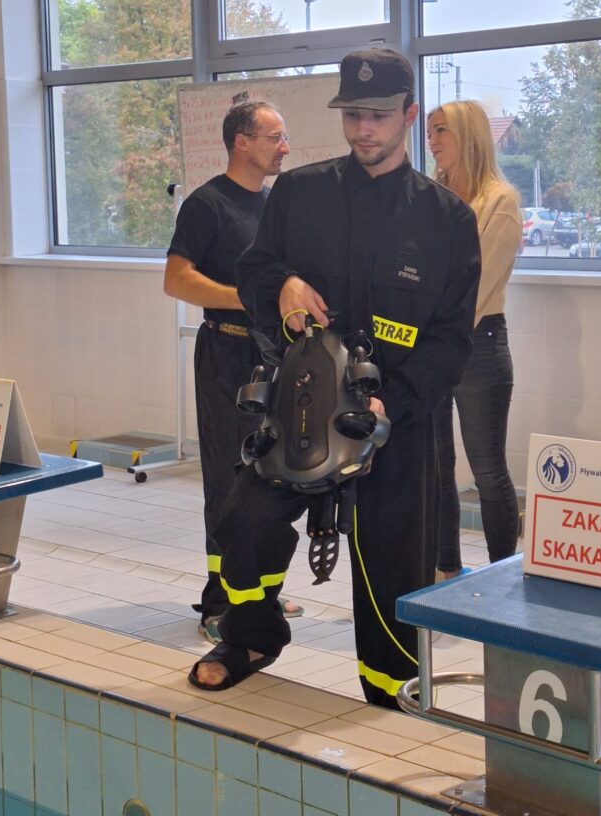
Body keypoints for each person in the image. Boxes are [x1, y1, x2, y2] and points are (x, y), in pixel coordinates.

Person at [187, 47, 481, 708]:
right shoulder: (300, 193)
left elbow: (450, 340)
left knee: (391, 561)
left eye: (378, 116)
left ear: (408, 115)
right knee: (246, 520)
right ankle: (250, 637)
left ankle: (391, 686)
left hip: (396, 417)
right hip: (300, 403)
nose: (363, 130)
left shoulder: (446, 220)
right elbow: (255, 272)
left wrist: (389, 405)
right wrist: (283, 284)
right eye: (352, 115)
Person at [164, 99, 304, 641]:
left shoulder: (274, 204)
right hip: (226, 353)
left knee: (269, 477)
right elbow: (176, 279)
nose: (284, 147)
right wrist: (243, 297)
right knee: (227, 479)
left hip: (272, 358)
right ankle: (218, 601)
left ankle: (259, 592)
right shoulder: (207, 204)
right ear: (242, 142)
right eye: (275, 137)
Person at [427, 100, 522, 568]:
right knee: (437, 467)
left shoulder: (500, 200)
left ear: (470, 135)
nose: (432, 141)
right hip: (429, 343)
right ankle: (447, 569)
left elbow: (478, 287)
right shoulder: (430, 197)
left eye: (441, 130)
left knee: (487, 471)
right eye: (429, 132)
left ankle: (503, 574)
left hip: (477, 344)